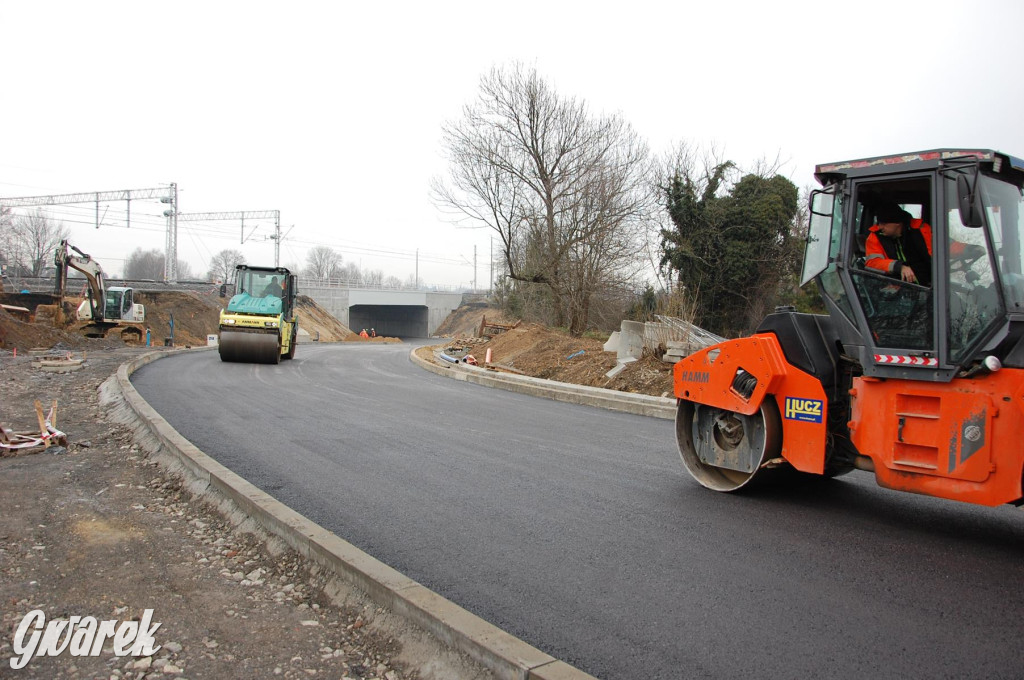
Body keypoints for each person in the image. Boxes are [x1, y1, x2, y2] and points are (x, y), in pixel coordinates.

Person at [865, 204, 933, 286]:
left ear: (897, 223)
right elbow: (872, 262)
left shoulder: (922, 230)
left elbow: (946, 248)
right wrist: (899, 267)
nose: (879, 227)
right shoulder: (875, 236)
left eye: (884, 223)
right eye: (879, 223)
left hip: (928, 285)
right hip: (892, 285)